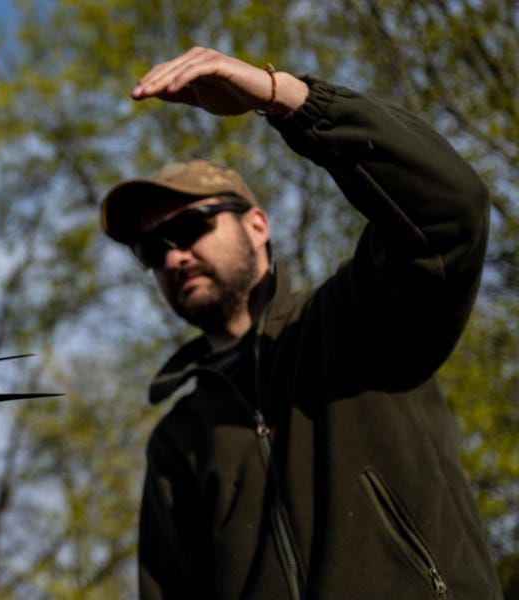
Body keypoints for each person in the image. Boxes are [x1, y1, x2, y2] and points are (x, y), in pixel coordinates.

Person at [100, 47, 502, 599]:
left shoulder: (356, 318)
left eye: (191, 226)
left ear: (257, 225)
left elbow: (449, 208)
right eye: (152, 249)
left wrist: (285, 98)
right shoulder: (179, 439)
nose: (173, 257)